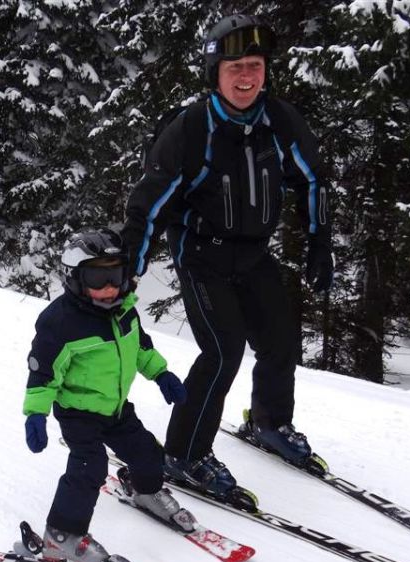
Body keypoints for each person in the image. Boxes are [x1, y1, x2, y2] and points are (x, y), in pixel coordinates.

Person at [120, 15, 335, 506]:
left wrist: (320, 241)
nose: (246, 77)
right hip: (201, 255)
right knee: (222, 353)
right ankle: (184, 453)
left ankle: (271, 423)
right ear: (214, 73)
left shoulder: (280, 121)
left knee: (280, 341)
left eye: (255, 66)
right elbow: (149, 203)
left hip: (255, 254)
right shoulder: (191, 129)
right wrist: (128, 267)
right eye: (235, 66)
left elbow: (313, 179)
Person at [23, 229, 192, 562]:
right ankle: (63, 536)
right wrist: (36, 414)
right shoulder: (61, 323)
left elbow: (140, 347)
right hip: (78, 412)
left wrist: (161, 373)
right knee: (90, 466)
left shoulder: (124, 310)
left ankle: (144, 490)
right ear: (75, 278)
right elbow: (43, 373)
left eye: (116, 275)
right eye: (99, 277)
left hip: (115, 408)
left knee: (148, 453)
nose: (110, 287)